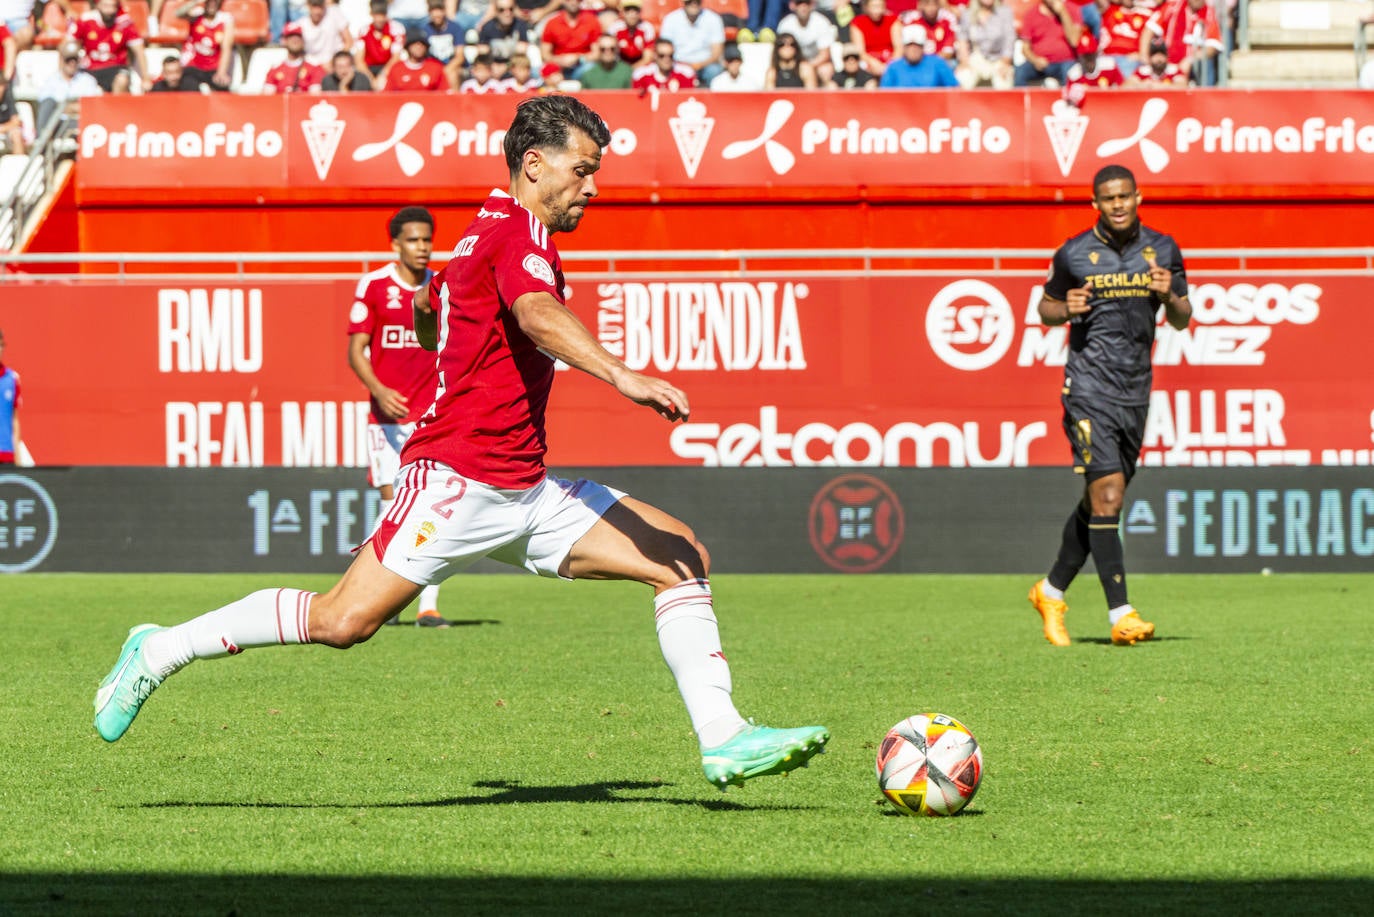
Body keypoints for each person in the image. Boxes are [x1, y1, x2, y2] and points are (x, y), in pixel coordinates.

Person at [92, 94, 831, 793]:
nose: (593, 187)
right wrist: (620, 374)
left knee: (679, 555)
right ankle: (159, 648)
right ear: (534, 164)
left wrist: (430, 314)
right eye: (583, 170)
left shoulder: (489, 227)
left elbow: (432, 315)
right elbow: (537, 312)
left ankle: (724, 734)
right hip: (457, 480)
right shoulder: (516, 235)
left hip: (525, 489)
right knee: (341, 622)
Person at [1027, 164, 1191, 648]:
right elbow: (1045, 309)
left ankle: (1051, 590)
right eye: (1108, 198)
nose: (1117, 204)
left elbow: (1182, 319)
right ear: (1095, 204)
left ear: (1138, 197)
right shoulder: (1075, 253)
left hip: (1134, 391)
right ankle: (1121, 613)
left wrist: (1169, 295)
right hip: (1088, 388)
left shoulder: (1162, 249)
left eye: (1124, 196)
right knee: (1110, 496)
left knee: (1100, 501)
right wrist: (1067, 308)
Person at [346, 207, 451, 627]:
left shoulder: (442, 287)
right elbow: (356, 351)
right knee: (392, 502)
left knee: (434, 503)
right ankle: (372, 594)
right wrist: (379, 389)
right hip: (388, 421)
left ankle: (427, 605)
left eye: (427, 240)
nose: (422, 248)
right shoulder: (373, 286)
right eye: (413, 240)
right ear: (395, 245)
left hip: (432, 416)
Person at [67, 0, 150, 94]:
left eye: (113, 6)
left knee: (122, 80)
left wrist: (145, 78)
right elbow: (67, 45)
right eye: (106, 6)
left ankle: (117, 107)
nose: (110, 10)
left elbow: (139, 51)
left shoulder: (125, 22)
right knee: (86, 87)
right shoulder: (86, 20)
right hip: (91, 69)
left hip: (116, 67)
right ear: (98, 5)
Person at [1013, 0, 1082, 87]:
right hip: (1039, 64)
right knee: (1020, 72)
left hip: (1065, 63)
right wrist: (1035, 60)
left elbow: (1074, 41)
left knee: (1071, 73)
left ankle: (1070, 100)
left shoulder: (1072, 9)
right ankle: (1018, 100)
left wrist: (1063, 13)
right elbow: (1025, 48)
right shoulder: (1031, 14)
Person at [37, 40, 100, 132]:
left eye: (75, 59)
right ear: (62, 60)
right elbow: (45, 104)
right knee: (48, 106)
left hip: (80, 124)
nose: (72, 63)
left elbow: (91, 107)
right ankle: (41, 141)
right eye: (68, 59)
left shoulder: (88, 80)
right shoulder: (51, 80)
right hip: (56, 124)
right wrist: (73, 107)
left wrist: (61, 107)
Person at [658, 0, 725, 85]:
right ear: (682, 2)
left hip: (705, 65)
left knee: (714, 70)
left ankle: (712, 98)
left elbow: (717, 52)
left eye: (697, 1)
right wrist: (683, 65)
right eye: (689, 1)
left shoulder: (713, 18)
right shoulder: (671, 19)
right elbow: (664, 48)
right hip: (677, 64)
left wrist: (699, 65)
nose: (693, 4)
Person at [955, 0, 1015, 89]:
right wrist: (964, 62)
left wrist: (1005, 63)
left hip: (999, 59)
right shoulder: (968, 14)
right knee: (963, 77)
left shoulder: (1004, 12)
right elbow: (963, 39)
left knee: (1003, 83)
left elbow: (1009, 39)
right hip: (976, 58)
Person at [178, 0, 235, 91]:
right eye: (209, 1)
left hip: (213, 67)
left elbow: (226, 48)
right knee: (188, 87)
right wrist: (196, 1)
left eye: (214, 2)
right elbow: (178, 14)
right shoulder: (197, 14)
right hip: (193, 65)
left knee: (223, 89)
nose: (212, 4)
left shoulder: (225, 19)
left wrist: (221, 72)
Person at [877, 23, 955, 86]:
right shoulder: (893, 67)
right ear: (904, 47)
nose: (913, 49)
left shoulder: (937, 63)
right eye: (909, 45)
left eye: (918, 45)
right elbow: (884, 98)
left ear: (923, 46)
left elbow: (954, 90)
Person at [777, 0, 837, 82]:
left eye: (807, 3)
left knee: (826, 70)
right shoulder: (785, 24)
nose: (803, 7)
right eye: (799, 3)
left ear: (812, 5)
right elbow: (781, 50)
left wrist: (808, 66)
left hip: (817, 63)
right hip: (793, 63)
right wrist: (797, 66)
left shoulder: (821, 22)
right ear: (792, 5)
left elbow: (825, 54)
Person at [539, 0, 600, 79]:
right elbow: (545, 55)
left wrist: (578, 58)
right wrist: (559, 60)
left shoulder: (592, 21)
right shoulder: (552, 23)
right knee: (537, 72)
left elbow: (597, 54)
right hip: (558, 66)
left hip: (581, 65)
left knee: (591, 68)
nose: (573, 2)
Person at [263, 20, 326, 92]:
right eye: (290, 36)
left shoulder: (315, 67)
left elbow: (315, 97)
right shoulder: (275, 69)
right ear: (284, 41)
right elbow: (267, 97)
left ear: (303, 41)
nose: (295, 40)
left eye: (298, 36)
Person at [380, 26, 449, 88]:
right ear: (407, 47)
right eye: (415, 44)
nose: (419, 47)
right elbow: (387, 96)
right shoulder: (397, 69)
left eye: (422, 44)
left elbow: (445, 94)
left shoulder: (435, 67)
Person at [356, 0, 405, 78]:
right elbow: (359, 60)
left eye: (383, 15)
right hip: (369, 69)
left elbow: (396, 58)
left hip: (387, 69)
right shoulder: (364, 31)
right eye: (377, 15)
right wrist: (370, 79)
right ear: (371, 15)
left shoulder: (396, 29)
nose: (380, 19)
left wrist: (381, 77)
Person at [849, 0, 898, 76]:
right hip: (868, 60)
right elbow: (860, 52)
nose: (877, 10)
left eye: (880, 6)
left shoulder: (893, 21)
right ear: (867, 7)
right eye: (874, 6)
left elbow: (899, 49)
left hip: (890, 59)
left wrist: (889, 64)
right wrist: (874, 63)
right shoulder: (857, 23)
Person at [298, 0, 353, 68]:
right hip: (311, 67)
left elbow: (349, 42)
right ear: (308, 6)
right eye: (314, 6)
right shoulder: (301, 23)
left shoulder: (335, 13)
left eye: (320, 6)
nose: (317, 11)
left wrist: (335, 61)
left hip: (335, 65)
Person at [632, 37, 697, 90]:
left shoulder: (686, 73)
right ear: (655, 55)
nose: (667, 59)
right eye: (662, 55)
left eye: (670, 55)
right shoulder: (641, 74)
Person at [0, 328, 22, 466]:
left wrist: (18, 456)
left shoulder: (12, 379)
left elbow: (15, 420)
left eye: (1, 345)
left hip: (6, 455)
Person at [611, 0, 653, 67]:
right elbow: (611, 54)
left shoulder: (647, 27)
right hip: (619, 66)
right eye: (628, 10)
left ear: (640, 12)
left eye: (635, 10)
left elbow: (647, 58)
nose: (632, 14)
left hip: (640, 67)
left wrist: (631, 70)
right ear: (623, 12)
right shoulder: (615, 28)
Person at [0, 71, 22, 154]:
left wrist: (2, 128)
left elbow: (16, 121)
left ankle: (20, 165)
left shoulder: (8, 96)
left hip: (7, 130)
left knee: (16, 134)